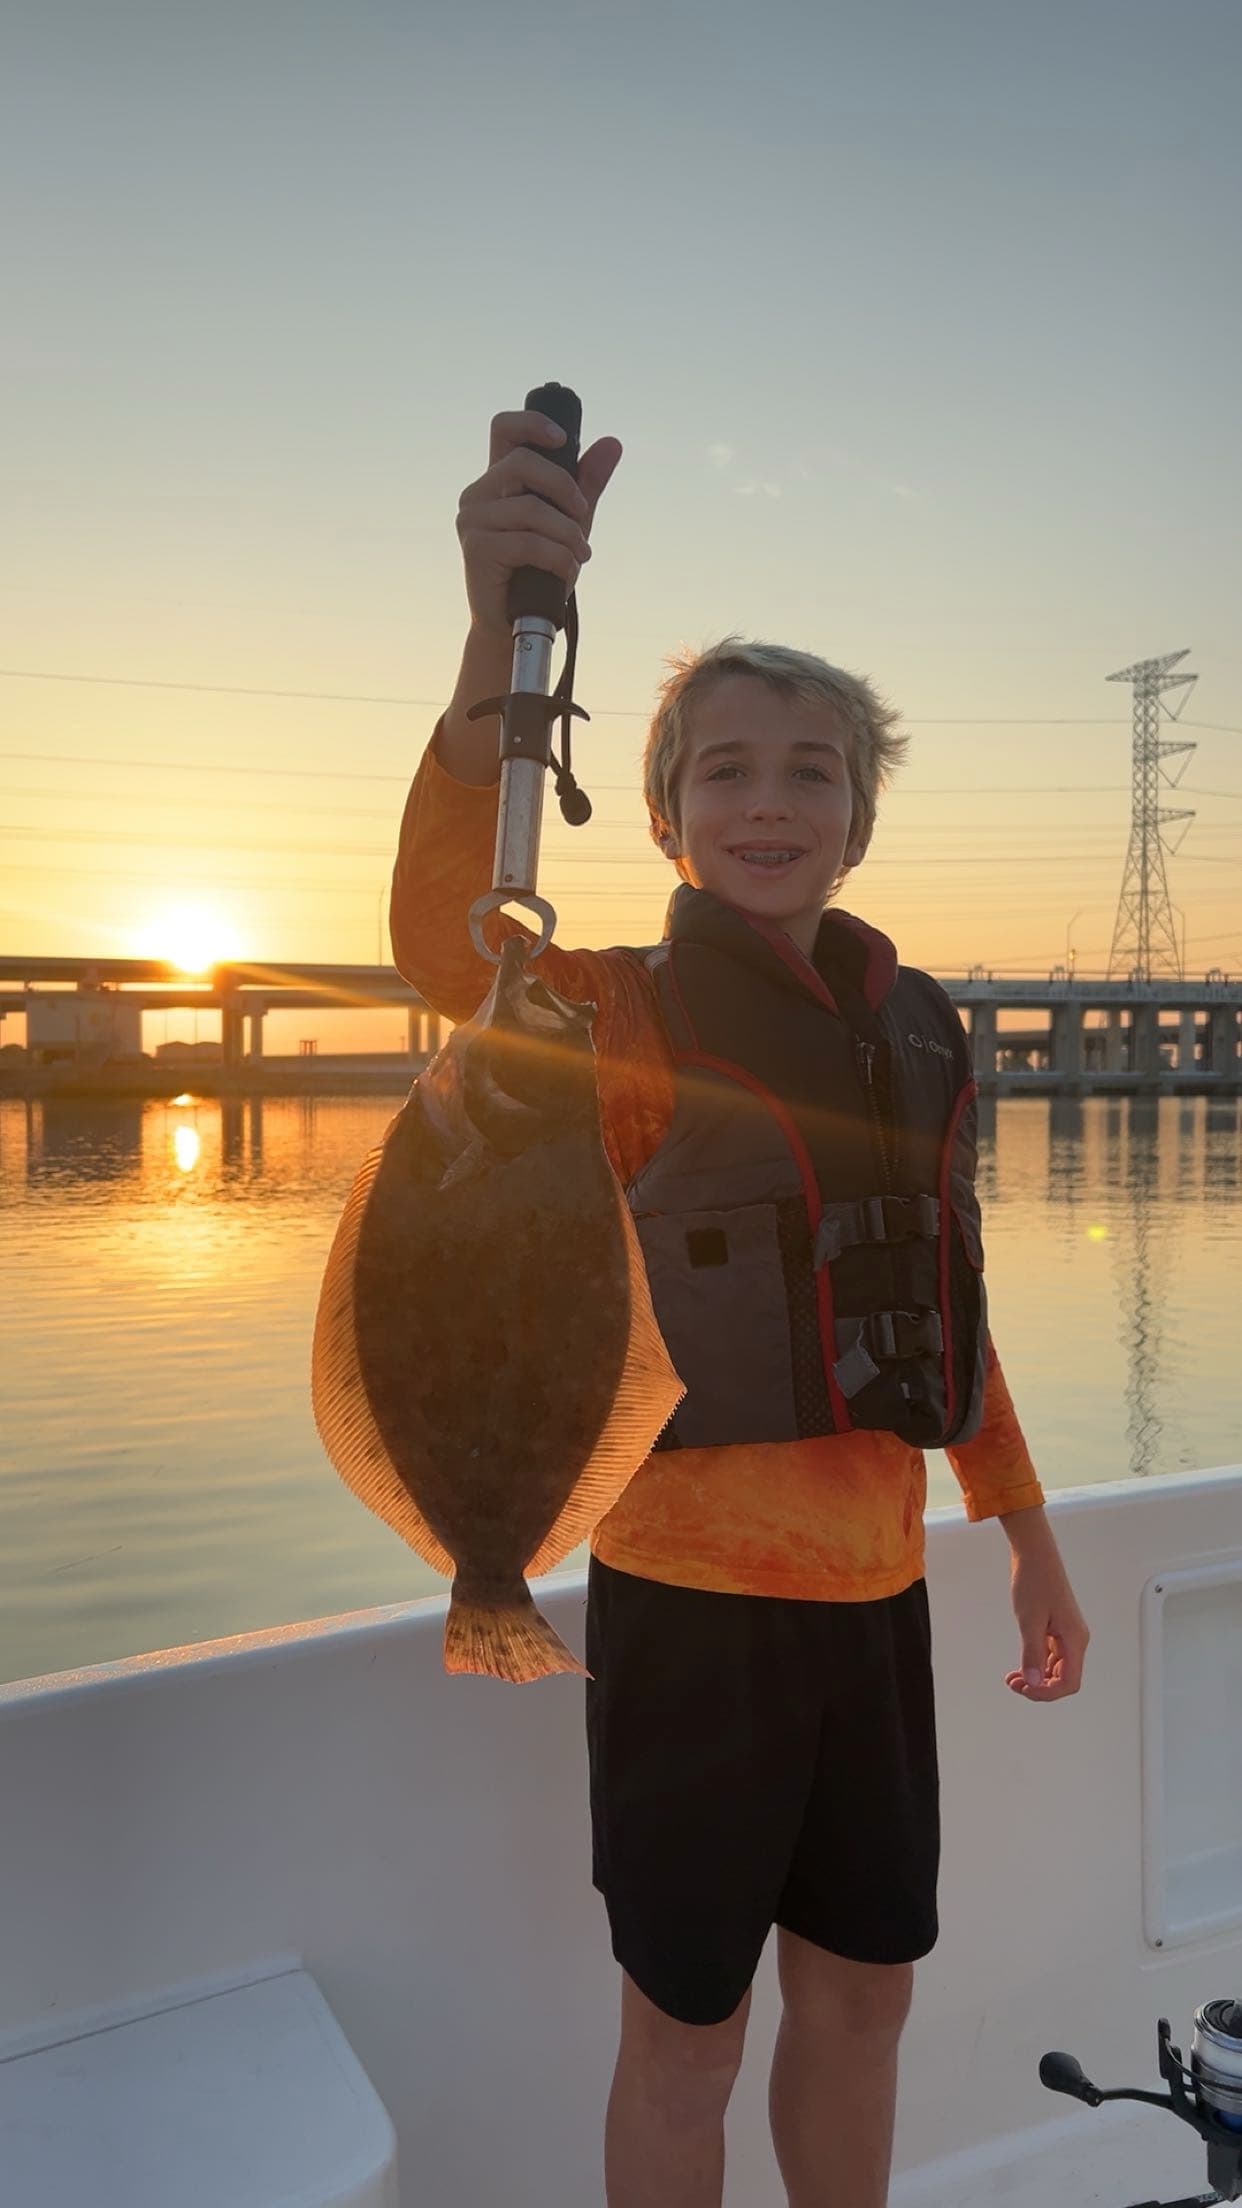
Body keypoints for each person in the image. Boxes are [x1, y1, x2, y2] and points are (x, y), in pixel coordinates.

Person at [389, 406, 1090, 2208]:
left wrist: (1022, 1533)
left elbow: (948, 1301)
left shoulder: (916, 1021)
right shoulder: (605, 1011)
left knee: (862, 2003)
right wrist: (499, 633)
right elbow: (434, 928)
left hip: (877, 1608)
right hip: (688, 1616)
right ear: (661, 812)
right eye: (722, 771)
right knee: (684, 2040)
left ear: (860, 809)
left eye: (808, 770)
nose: (766, 801)